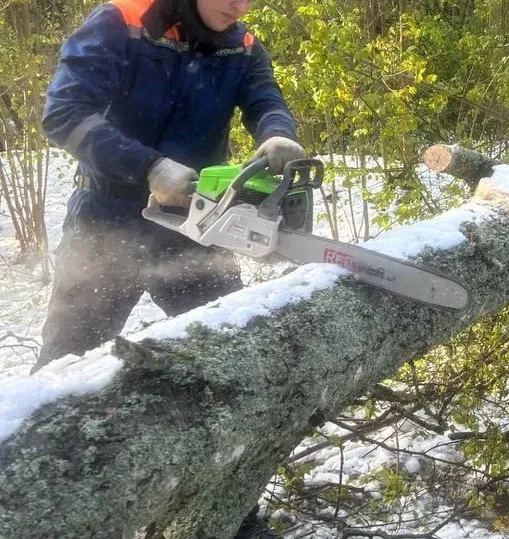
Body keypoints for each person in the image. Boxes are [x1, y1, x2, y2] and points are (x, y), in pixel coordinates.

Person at [34, 0, 307, 374]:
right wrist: (149, 167)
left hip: (196, 220)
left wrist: (277, 135)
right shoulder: (122, 22)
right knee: (67, 365)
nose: (239, 6)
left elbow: (266, 101)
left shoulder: (242, 45)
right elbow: (66, 112)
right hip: (107, 220)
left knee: (226, 352)